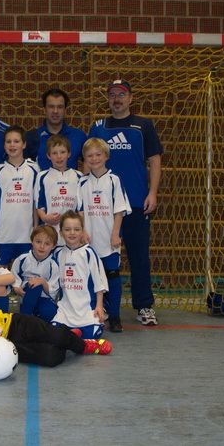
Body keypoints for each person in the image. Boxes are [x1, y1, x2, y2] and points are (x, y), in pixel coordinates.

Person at [0, 264, 112, 374]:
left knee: (57, 336)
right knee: (51, 358)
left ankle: (84, 344)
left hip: (16, 325)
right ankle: (68, 337)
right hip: (7, 348)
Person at [88, 80, 163, 326]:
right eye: (112, 95)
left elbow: (154, 160)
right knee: (101, 257)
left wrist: (152, 192)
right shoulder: (98, 127)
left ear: (130, 98)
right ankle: (103, 306)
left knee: (139, 256)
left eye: (122, 95)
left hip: (136, 201)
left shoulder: (143, 126)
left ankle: (144, 306)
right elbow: (87, 162)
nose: (117, 99)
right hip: (102, 209)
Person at [77, 138, 132, 333]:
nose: (94, 158)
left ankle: (115, 315)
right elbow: (80, 210)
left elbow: (119, 210)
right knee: (91, 277)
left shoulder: (114, 180)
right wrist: (83, 231)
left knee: (112, 275)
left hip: (109, 239)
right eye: (89, 155)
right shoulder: (82, 182)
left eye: (98, 154)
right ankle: (95, 313)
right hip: (89, 239)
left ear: (106, 156)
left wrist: (115, 233)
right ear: (84, 158)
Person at [0, 125, 40, 266]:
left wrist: (36, 227)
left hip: (26, 234)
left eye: (16, 141)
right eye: (8, 141)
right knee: (0, 274)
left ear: (24, 144)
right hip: (3, 234)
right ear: (4, 145)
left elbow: (36, 201)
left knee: (25, 273)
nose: (12, 145)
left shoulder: (34, 169)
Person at [51, 211, 108, 339]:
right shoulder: (58, 253)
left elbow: (99, 282)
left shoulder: (88, 252)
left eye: (76, 229)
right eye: (67, 229)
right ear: (61, 233)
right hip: (65, 310)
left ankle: (77, 333)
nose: (72, 233)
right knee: (55, 336)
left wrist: (99, 306)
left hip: (87, 309)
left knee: (90, 336)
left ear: (82, 232)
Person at [34, 134, 82, 247]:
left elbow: (81, 207)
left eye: (62, 152)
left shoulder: (78, 176)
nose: (59, 156)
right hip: (49, 229)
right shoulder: (42, 176)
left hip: (72, 232)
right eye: (54, 153)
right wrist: (44, 217)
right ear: (48, 155)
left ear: (69, 154)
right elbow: (38, 203)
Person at [24, 88, 87, 170]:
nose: (55, 111)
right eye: (51, 106)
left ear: (65, 110)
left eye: (60, 107)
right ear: (44, 110)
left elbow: (90, 162)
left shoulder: (78, 136)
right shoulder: (32, 137)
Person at [10, 225, 61, 322]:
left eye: (47, 244)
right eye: (38, 242)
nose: (42, 246)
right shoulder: (23, 258)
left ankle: (35, 317)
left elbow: (53, 289)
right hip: (25, 294)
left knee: (50, 312)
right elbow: (14, 276)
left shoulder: (53, 264)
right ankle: (24, 319)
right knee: (35, 285)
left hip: (44, 297)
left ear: (54, 246)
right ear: (32, 241)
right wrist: (17, 289)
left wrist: (42, 282)